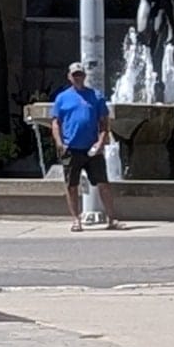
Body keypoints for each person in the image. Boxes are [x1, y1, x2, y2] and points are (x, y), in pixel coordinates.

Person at [48, 61, 118, 232]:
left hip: (92, 148)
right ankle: (76, 220)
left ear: (85, 76)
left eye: (80, 74)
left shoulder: (96, 96)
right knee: (71, 185)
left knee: (103, 183)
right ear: (69, 77)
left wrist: (101, 142)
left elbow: (104, 123)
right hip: (71, 148)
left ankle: (111, 219)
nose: (78, 77)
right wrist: (59, 142)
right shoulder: (62, 98)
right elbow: (56, 122)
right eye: (75, 75)